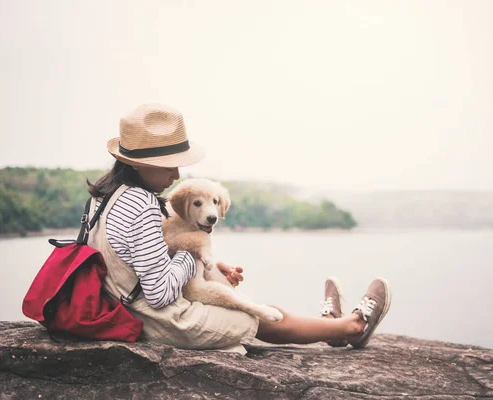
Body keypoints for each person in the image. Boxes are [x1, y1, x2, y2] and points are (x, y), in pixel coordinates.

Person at [86, 103, 391, 354]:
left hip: (121, 309)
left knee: (243, 303)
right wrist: (192, 259)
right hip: (158, 320)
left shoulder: (104, 198)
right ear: (138, 163)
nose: (177, 174)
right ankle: (353, 326)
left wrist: (208, 266)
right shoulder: (142, 206)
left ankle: (328, 326)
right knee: (258, 314)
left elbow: (136, 262)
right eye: (169, 165)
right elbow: (159, 293)